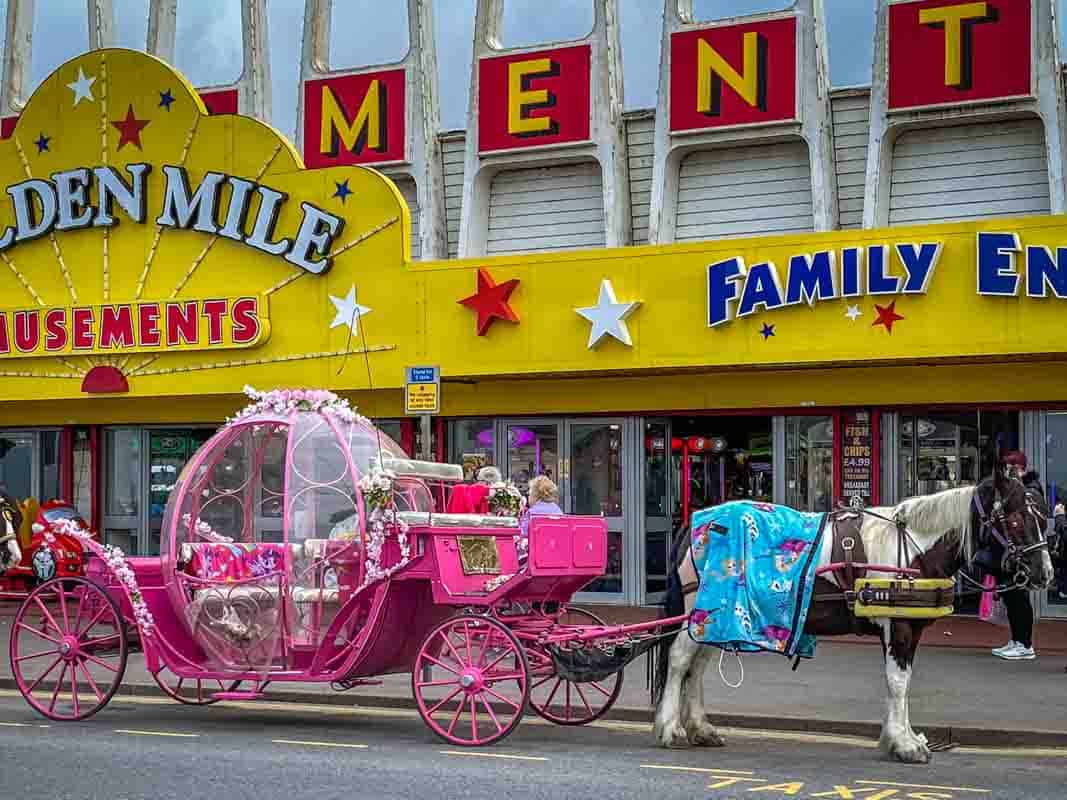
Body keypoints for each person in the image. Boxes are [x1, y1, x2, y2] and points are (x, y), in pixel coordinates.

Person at [989, 450, 1065, 661]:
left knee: (1019, 599)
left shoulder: (1030, 492)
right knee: (1012, 599)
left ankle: (1024, 643)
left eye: (1012, 469)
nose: (1009, 473)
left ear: (1020, 469)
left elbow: (1032, 525)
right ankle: (1016, 640)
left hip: (1025, 555)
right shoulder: (1017, 491)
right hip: (1015, 554)